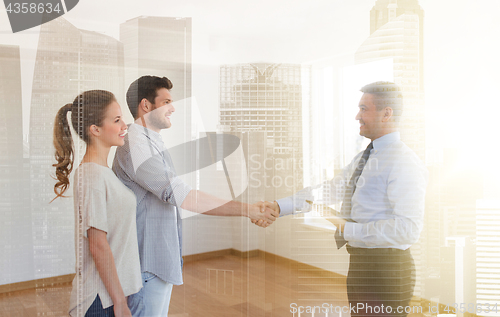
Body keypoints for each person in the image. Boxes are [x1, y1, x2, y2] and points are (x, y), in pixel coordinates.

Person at [112, 75, 277, 317]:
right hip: (146, 265)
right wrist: (249, 210)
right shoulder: (137, 145)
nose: (173, 108)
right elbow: (183, 195)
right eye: (166, 101)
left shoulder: (149, 142)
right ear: (146, 106)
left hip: (154, 261)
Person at [264, 82, 428, 316]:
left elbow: (408, 229)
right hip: (361, 263)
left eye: (363, 109)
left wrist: (347, 229)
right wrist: (279, 206)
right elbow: (330, 190)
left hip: (387, 270)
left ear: (387, 113)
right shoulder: (364, 157)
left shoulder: (404, 162)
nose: (357, 116)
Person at [52, 90, 142, 317]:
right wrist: (119, 302)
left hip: (111, 294)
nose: (125, 125)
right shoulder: (92, 177)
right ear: (95, 129)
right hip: (101, 300)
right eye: (116, 120)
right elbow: (97, 245)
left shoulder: (103, 173)